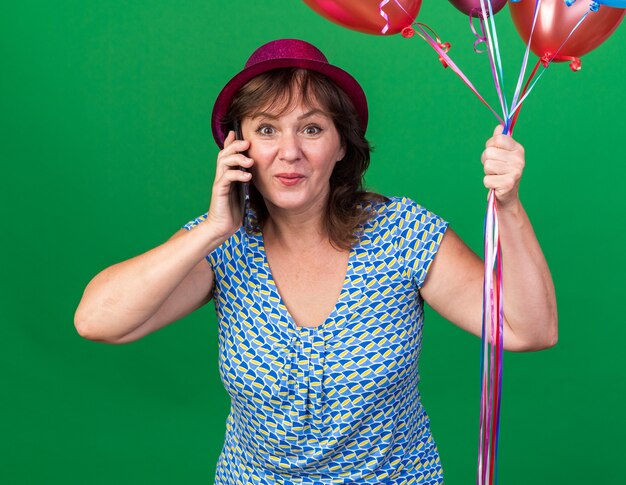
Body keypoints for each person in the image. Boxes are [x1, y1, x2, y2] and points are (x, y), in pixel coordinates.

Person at [74, 39, 557, 484]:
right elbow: (98, 321)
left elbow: (529, 329)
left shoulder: (401, 234)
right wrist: (213, 229)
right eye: (266, 129)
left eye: (311, 128)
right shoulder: (221, 244)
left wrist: (509, 204)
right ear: (237, 148)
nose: (290, 152)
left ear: (341, 143)